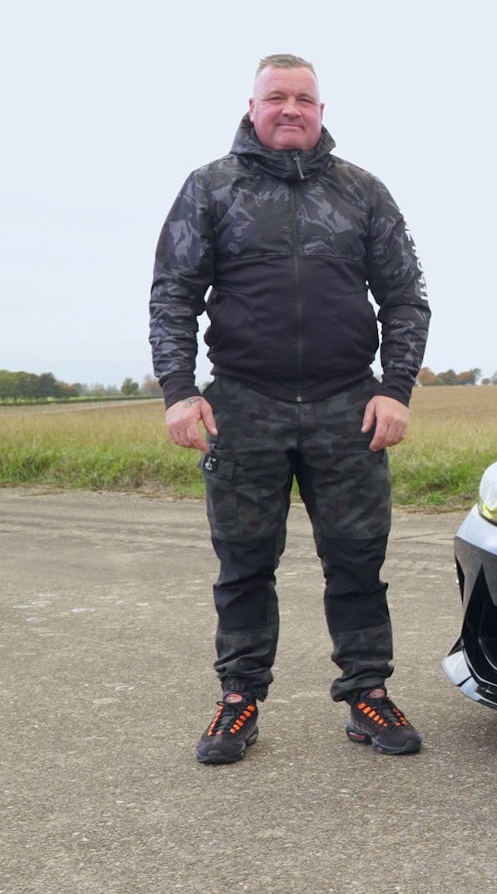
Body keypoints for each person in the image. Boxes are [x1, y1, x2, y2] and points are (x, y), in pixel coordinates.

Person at [149, 54, 431, 764]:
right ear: (252, 107)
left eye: (304, 98)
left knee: (358, 561)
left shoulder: (362, 192)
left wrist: (395, 389)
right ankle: (238, 699)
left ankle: (368, 693)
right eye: (276, 97)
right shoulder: (211, 187)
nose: (290, 109)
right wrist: (179, 391)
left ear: (321, 111)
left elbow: (405, 297)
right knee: (244, 564)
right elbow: (173, 294)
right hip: (244, 404)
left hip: (349, 404)